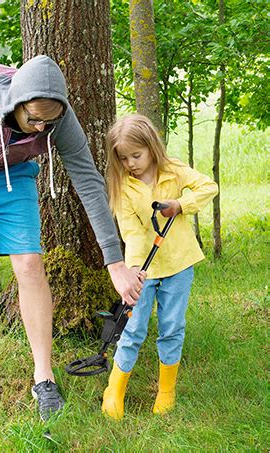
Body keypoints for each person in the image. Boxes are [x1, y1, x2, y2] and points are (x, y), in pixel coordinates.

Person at [0, 55, 145, 421]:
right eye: (33, 118)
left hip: (12, 178)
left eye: (47, 122)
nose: (39, 129)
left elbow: (88, 181)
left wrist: (114, 261)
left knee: (31, 265)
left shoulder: (59, 120)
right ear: (14, 103)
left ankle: (44, 378)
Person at [101, 114, 218, 420]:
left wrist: (181, 205)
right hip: (144, 272)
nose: (130, 163)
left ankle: (166, 390)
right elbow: (132, 230)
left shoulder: (173, 170)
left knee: (172, 328)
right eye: (123, 158)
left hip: (180, 264)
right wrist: (135, 267)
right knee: (134, 328)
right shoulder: (124, 187)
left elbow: (209, 186)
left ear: (152, 147)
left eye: (136, 155)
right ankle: (114, 389)